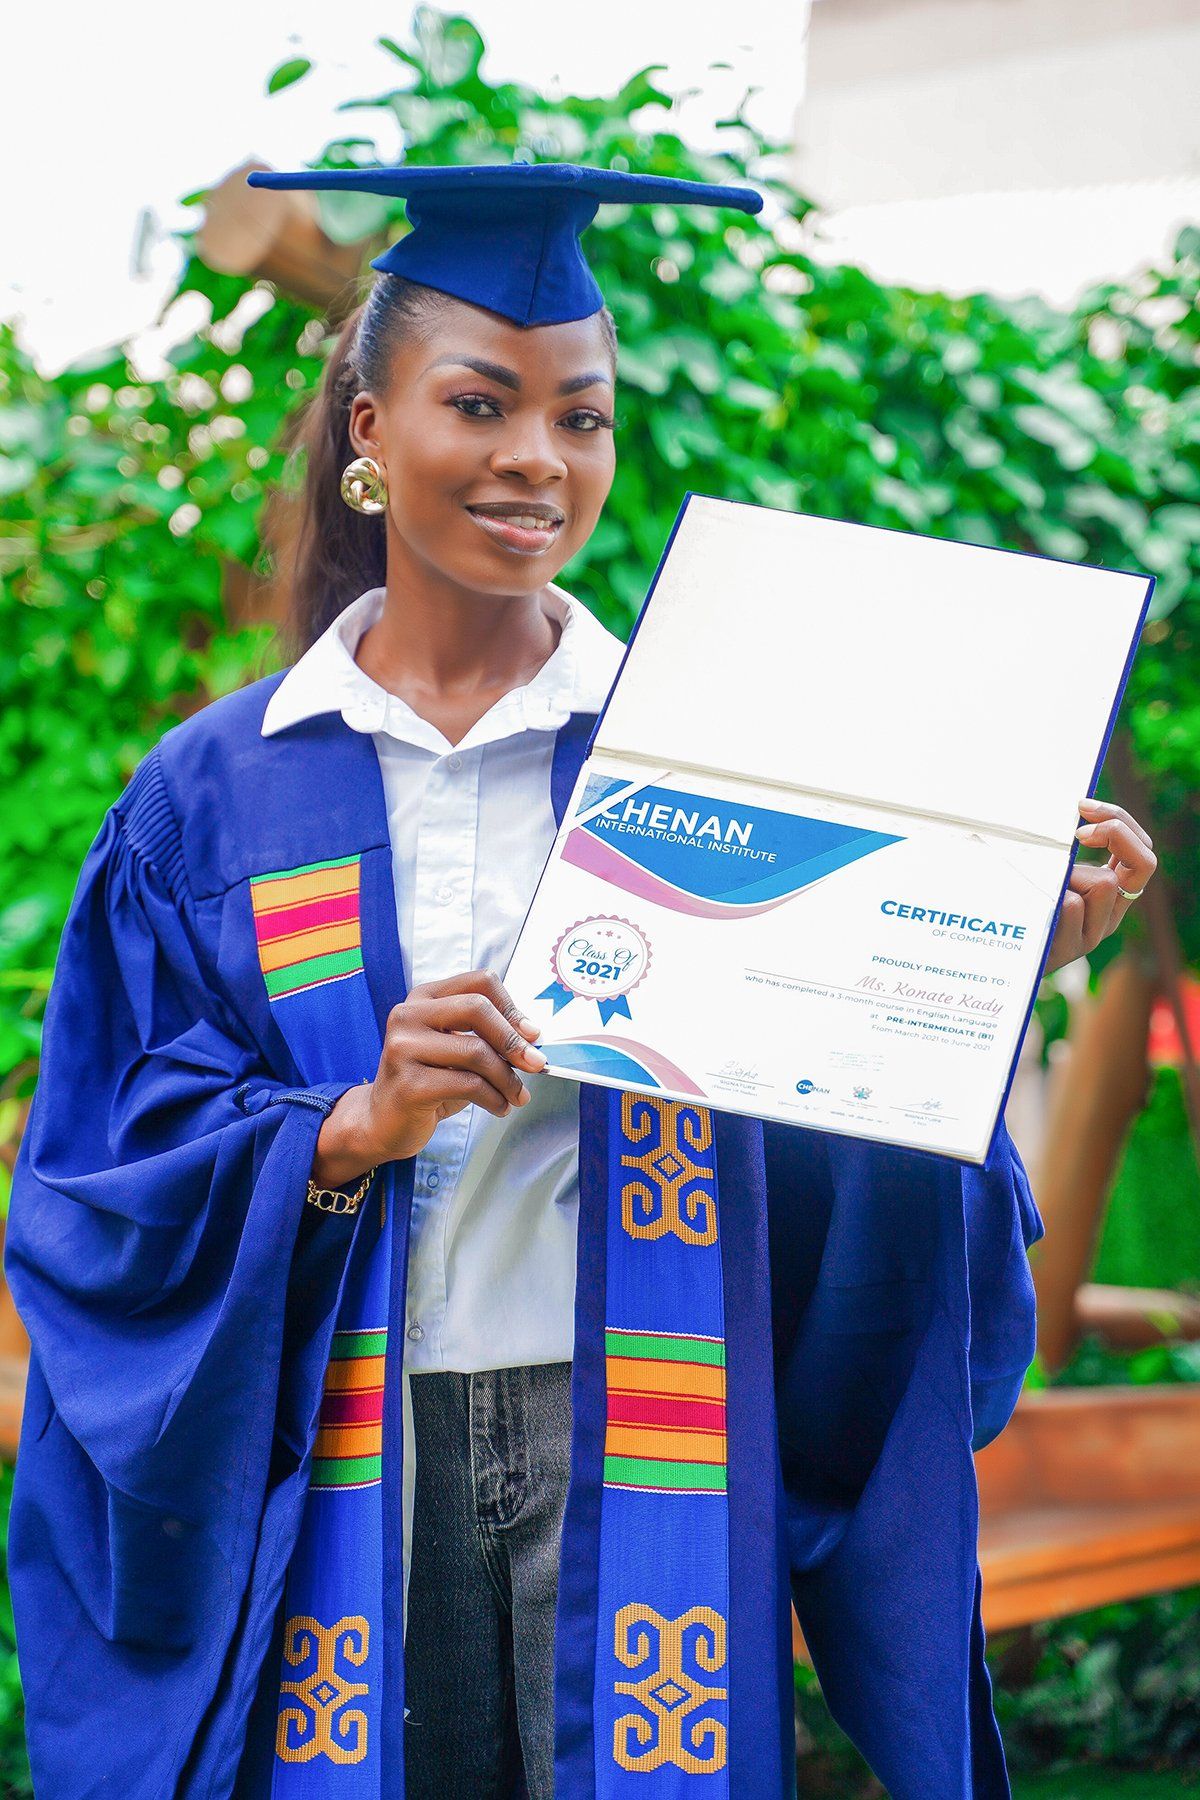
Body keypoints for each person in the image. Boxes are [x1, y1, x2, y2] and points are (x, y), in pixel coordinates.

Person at [4, 160, 1157, 1800]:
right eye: (479, 404)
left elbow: (839, 1155)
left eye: (583, 417)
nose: (537, 458)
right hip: (357, 1453)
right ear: (367, 430)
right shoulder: (215, 801)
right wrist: (342, 1127)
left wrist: (972, 976)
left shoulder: (729, 769)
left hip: (638, 1446)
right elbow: (98, 1178)